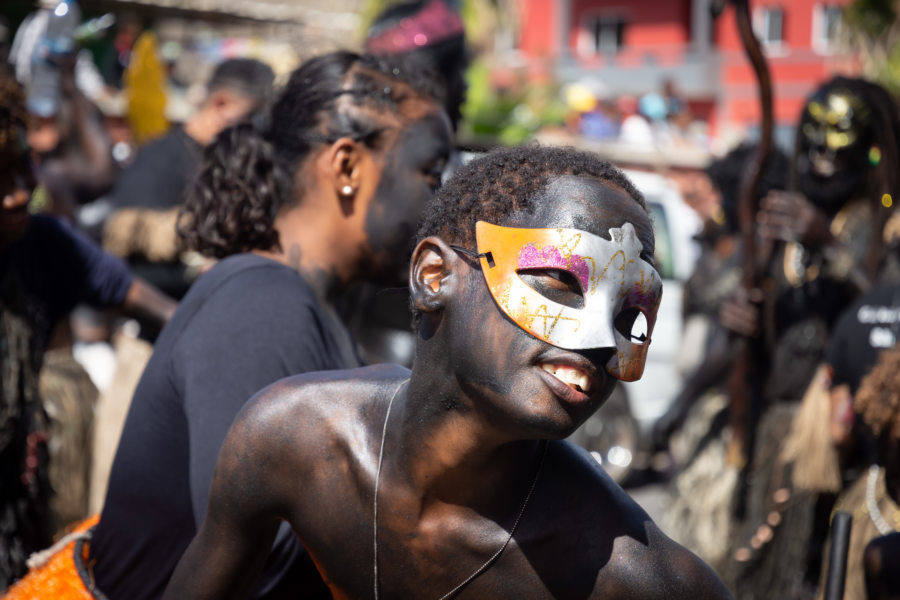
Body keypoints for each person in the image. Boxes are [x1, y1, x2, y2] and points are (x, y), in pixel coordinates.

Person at [165, 145, 731, 599]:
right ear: (435, 276)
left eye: (631, 315)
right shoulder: (294, 440)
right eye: (562, 283)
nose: (604, 338)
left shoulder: (632, 575)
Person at [60, 50, 451, 600]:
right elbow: (268, 565)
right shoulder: (261, 307)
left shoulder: (311, 305)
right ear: (345, 166)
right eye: (431, 172)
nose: (441, 204)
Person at [0, 70, 174, 591]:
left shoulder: (44, 245)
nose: (19, 193)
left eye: (23, 167)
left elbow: (144, 300)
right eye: (0, 177)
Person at [103, 57, 274, 299]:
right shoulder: (160, 159)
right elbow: (125, 265)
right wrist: (199, 272)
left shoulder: (235, 164)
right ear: (221, 104)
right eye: (253, 117)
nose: (258, 131)